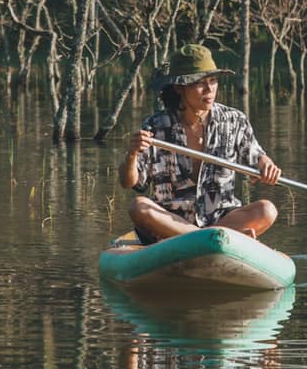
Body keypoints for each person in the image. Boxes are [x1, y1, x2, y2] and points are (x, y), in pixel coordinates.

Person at [119, 44, 283, 243]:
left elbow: (257, 157)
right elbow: (130, 183)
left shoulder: (234, 120)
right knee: (138, 206)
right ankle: (212, 239)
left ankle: (208, 237)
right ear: (180, 87)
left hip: (222, 218)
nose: (209, 89)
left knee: (267, 210)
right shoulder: (155, 125)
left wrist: (266, 164)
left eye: (213, 81)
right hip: (172, 222)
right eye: (200, 83)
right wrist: (132, 154)